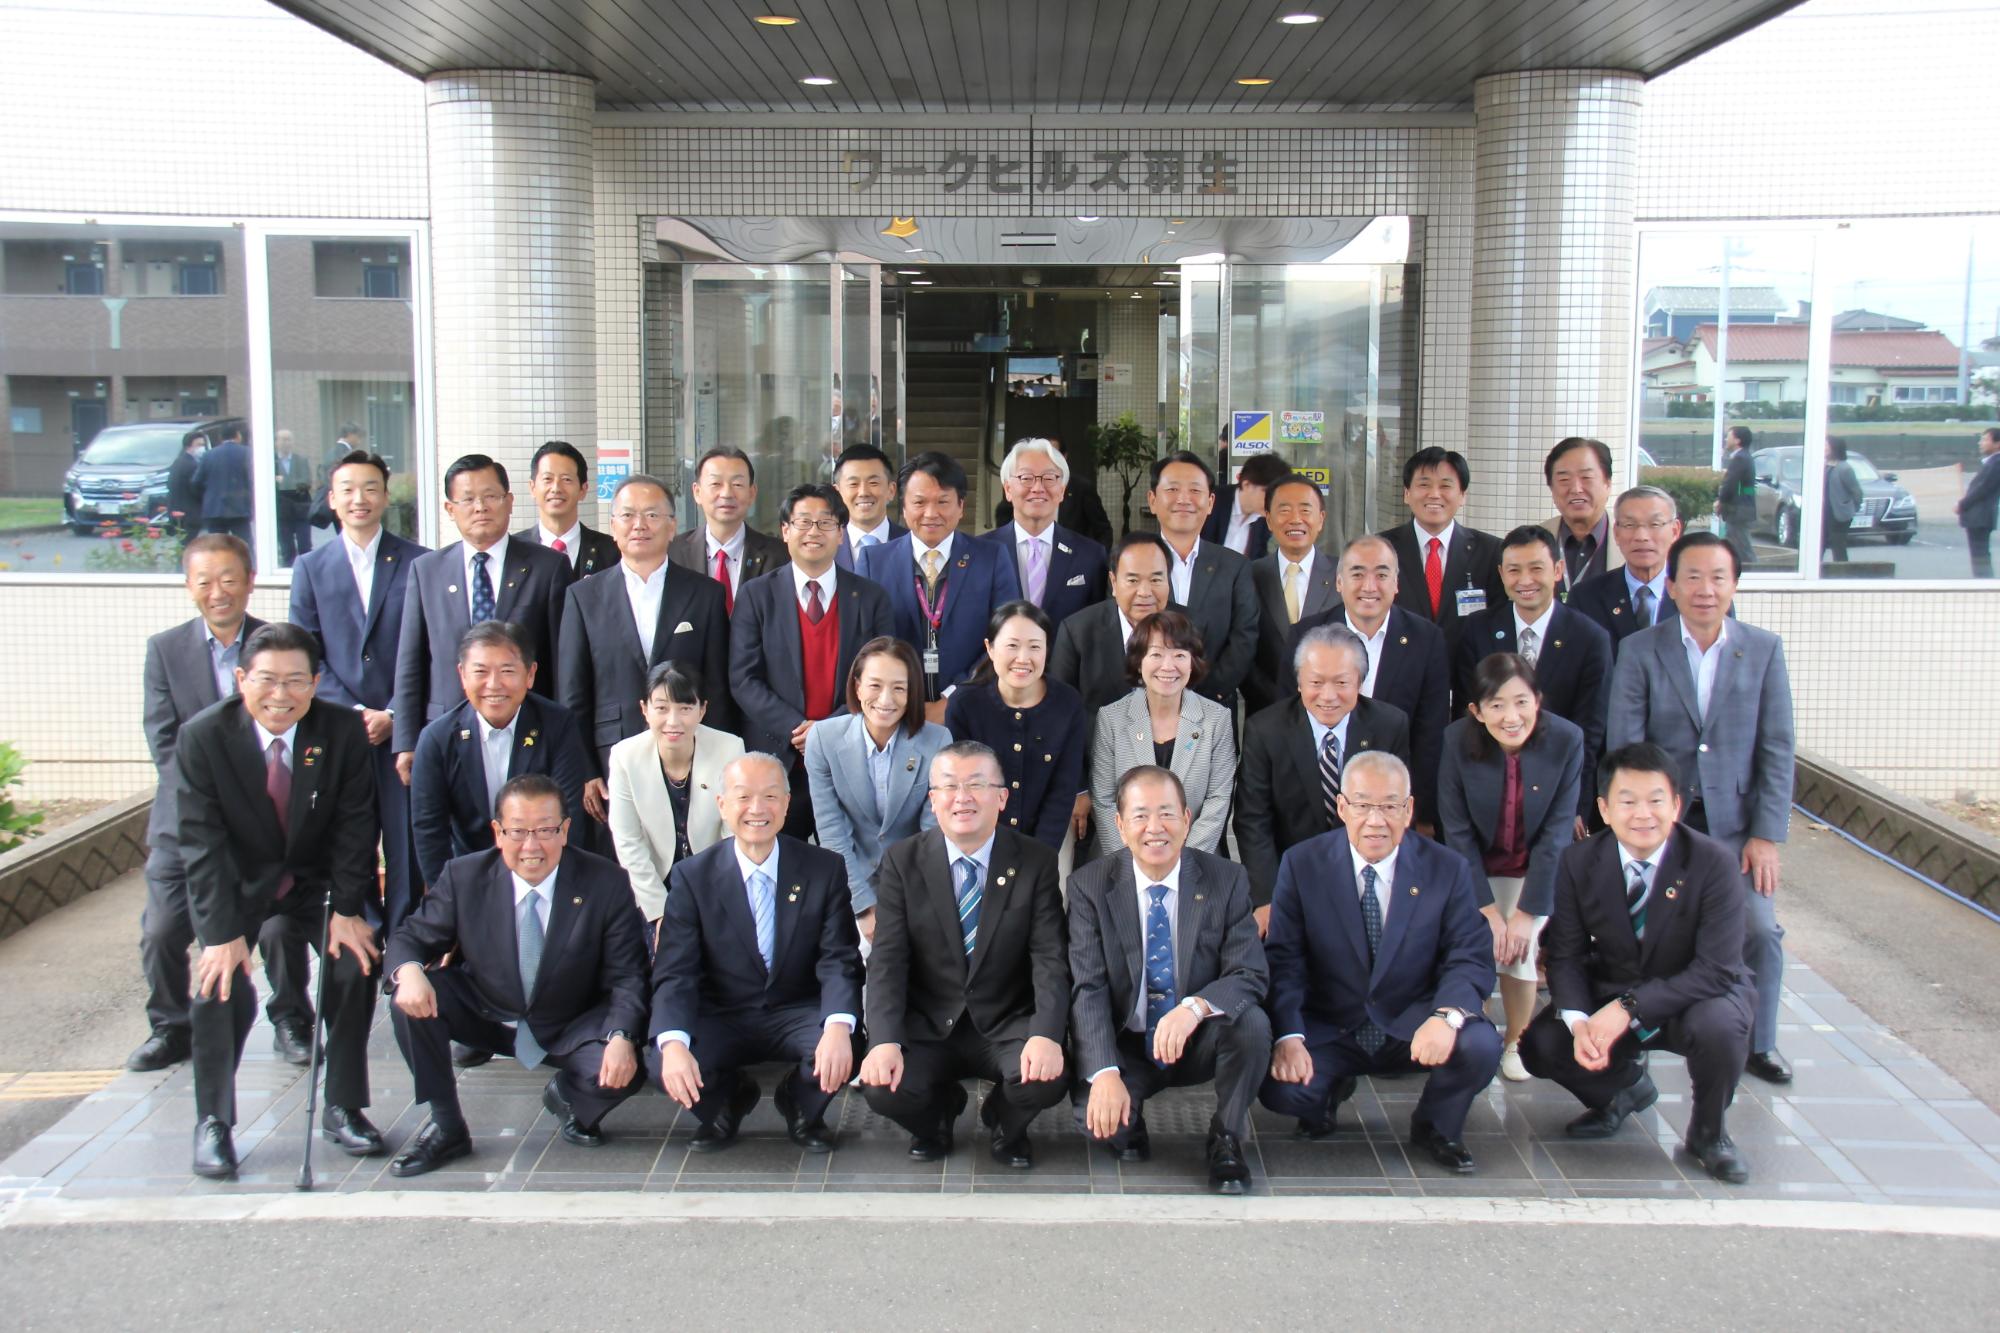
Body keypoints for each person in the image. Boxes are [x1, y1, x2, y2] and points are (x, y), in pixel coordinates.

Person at [175, 622, 384, 1178]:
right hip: (240, 885)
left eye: (296, 680)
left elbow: (356, 826)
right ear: (242, 679)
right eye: (267, 680)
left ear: (315, 683)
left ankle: (343, 1104)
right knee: (217, 981)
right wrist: (220, 935)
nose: (281, 694)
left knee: (354, 960)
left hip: (315, 884)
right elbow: (200, 845)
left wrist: (347, 909)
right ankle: (214, 1121)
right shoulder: (203, 737)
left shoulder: (341, 732)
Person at [384, 773, 650, 1176]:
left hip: (569, 1020)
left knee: (623, 1069)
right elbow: (412, 937)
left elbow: (629, 974)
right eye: (518, 831)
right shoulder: (464, 877)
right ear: (497, 832)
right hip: (488, 1009)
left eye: (545, 830)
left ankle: (567, 1096)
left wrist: (622, 1036)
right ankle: (446, 1125)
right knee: (408, 1002)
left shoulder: (605, 881)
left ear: (565, 830)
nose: (531, 846)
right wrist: (409, 971)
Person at [1608, 531, 1795, 1085]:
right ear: (1671, 585)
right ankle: (1630, 1040)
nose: (1705, 590)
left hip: (1737, 828)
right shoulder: (1642, 649)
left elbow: (1777, 746)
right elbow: (1626, 745)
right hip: (1660, 826)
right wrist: (1640, 824)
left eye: (1717, 578)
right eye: (1692, 577)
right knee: (1638, 933)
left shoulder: (1763, 650)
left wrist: (1767, 833)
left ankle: (1759, 1042)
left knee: (1758, 929)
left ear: (1734, 585)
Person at [1520, 743, 1755, 1184]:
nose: (1643, 814)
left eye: (1656, 800)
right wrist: (1577, 1021)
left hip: (1696, 993)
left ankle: (1709, 1133)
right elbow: (1566, 953)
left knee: (1720, 1027)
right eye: (1627, 801)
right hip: (1613, 984)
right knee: (1542, 1044)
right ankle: (1622, 1092)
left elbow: (1717, 970)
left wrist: (1628, 1007)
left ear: (1677, 805)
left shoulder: (1713, 863)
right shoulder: (1579, 861)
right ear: (1605, 810)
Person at [1259, 752, 1501, 1172]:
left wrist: (1445, 1016)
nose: (1376, 820)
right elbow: (1284, 959)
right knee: (1282, 1089)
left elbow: (1470, 955)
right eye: (1362, 805)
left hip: (1414, 1022)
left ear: (1408, 810)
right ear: (1341, 807)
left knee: (1480, 1044)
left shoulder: (1447, 869)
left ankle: (1436, 1125)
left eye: (1389, 806)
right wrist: (1290, 1036)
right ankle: (1329, 1093)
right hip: (1333, 1026)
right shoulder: (1302, 864)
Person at [128, 535, 307, 1073]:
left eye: (228, 578)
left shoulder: (278, 645)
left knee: (280, 926)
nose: (217, 591)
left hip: (265, 819)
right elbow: (164, 740)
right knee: (161, 929)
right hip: (183, 822)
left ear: (250, 580)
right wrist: (213, 799)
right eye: (204, 581)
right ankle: (169, 1025)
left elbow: (296, 726)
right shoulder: (166, 649)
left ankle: (291, 1017)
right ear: (189, 587)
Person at [860, 741, 1070, 1168]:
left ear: (1002, 797)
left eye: (977, 784)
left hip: (1007, 1020)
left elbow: (1050, 957)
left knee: (1048, 1078)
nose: (963, 798)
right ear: (932, 800)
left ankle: (1004, 1121)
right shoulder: (903, 861)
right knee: (881, 1086)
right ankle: (935, 1116)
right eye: (950, 786)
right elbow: (887, 961)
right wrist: (882, 1040)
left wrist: (1047, 1033)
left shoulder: (1036, 861)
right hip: (929, 1022)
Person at [1066, 765, 1272, 1193]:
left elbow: (1248, 972)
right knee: (1099, 1124)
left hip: (1196, 1038)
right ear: (1120, 826)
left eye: (1167, 814)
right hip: (1130, 1043)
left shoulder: (1225, 879)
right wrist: (1104, 1072)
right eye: (1140, 816)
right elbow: (1088, 988)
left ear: (1187, 819)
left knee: (1251, 1022)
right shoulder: (1088, 886)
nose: (1154, 828)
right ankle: (1131, 1118)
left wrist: (1194, 1008)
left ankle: (1227, 1136)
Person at [649, 754, 865, 1152]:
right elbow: (675, 972)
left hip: (796, 1009)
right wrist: (674, 1044)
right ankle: (727, 1099)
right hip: (723, 1012)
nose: (757, 809)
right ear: (722, 805)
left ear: (786, 803)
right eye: (744, 796)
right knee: (663, 1054)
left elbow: (839, 958)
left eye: (770, 796)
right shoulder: (692, 877)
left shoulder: (823, 868)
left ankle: (800, 1104)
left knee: (846, 1038)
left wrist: (837, 1027)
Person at [289, 449, 427, 934]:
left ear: (386, 497)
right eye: (347, 489)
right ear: (331, 499)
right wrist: (351, 712)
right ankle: (359, 933)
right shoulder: (310, 567)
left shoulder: (418, 563)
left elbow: (426, 650)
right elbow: (305, 655)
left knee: (405, 841)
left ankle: (405, 941)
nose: (359, 498)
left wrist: (394, 713)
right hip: (339, 730)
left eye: (370, 488)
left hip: (401, 730)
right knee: (350, 836)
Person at [558, 473, 733, 834]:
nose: (640, 525)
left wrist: (718, 760)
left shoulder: (705, 594)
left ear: (672, 527)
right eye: (628, 515)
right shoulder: (583, 597)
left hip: (690, 752)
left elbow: (717, 686)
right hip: (612, 752)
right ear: (612, 527)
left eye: (653, 515)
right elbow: (573, 692)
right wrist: (586, 768)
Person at [1437, 654, 1584, 1080]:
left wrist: (1524, 916)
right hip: (1474, 867)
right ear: (1477, 711)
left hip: (1532, 868)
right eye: (1496, 704)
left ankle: (1516, 1039)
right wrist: (1486, 911)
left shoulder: (1567, 740)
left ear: (1538, 700)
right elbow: (1457, 830)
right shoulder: (1455, 741)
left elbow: (1556, 834)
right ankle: (1473, 1029)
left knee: (1521, 948)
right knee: (1478, 942)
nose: (1511, 716)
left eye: (1521, 702)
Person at [393, 453, 571, 783]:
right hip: (446, 728)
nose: (480, 507)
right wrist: (406, 740)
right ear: (450, 509)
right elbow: (411, 661)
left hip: (528, 729)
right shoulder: (426, 570)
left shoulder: (549, 567)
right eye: (468, 499)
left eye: (490, 496)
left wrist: (563, 734)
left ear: (509, 501)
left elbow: (563, 662)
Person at [729, 483, 893, 840]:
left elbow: (883, 679)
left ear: (841, 533)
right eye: (803, 522)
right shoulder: (756, 595)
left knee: (851, 861)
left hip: (851, 752)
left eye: (825, 523)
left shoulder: (870, 597)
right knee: (783, 861)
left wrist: (827, 729)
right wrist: (798, 728)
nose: (813, 532)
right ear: (785, 531)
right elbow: (743, 679)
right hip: (777, 754)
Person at [1237, 623, 1411, 931]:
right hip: (1290, 875)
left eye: (1342, 682)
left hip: (1365, 872)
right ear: (1300, 682)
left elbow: (1394, 813)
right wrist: (1267, 897)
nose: (1328, 696)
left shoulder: (1389, 725)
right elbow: (1253, 820)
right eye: (1316, 682)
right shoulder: (1265, 730)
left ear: (1360, 681)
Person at [409, 621, 590, 891]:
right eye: (480, 672)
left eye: (507, 671)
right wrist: (448, 899)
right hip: (470, 878)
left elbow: (569, 814)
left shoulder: (558, 725)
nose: (494, 685)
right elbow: (428, 829)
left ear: (530, 674)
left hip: (544, 871)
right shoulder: (437, 738)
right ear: (462, 675)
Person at [1452, 525, 1610, 832]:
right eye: (1514, 570)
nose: (1525, 581)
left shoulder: (1589, 638)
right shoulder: (1476, 631)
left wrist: (1577, 806)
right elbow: (1466, 715)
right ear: (1501, 573)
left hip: (1558, 792)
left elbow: (1591, 732)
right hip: (1489, 793)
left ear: (1558, 570)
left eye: (1536, 568)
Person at [1292, 535, 1451, 831]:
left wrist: (1420, 814)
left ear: (1396, 583)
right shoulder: (1305, 635)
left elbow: (1430, 734)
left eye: (1381, 575)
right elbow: (1289, 723)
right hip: (1315, 805)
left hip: (1388, 810)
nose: (1369, 586)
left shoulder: (1426, 640)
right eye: (1357, 574)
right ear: (1339, 582)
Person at [802, 637, 951, 940]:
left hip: (913, 879)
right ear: (857, 686)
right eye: (875, 685)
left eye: (899, 688)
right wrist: (864, 908)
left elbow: (930, 833)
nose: (886, 699)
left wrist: (901, 903)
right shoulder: (823, 739)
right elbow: (832, 831)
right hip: (848, 876)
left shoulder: (937, 740)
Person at [857, 451, 1022, 721]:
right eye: (919, 502)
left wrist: (953, 698)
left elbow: (1005, 638)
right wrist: (902, 697)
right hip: (894, 712)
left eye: (943, 502)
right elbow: (865, 641)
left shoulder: (991, 558)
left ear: (960, 506)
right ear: (903, 506)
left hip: (972, 709)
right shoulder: (873, 561)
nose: (931, 513)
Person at [606, 662, 744, 928]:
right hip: (652, 887)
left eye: (685, 708)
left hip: (716, 885)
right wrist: (659, 913)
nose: (673, 721)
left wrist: (711, 905)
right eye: (661, 708)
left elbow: (732, 835)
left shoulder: (729, 748)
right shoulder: (625, 756)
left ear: (702, 710)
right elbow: (628, 842)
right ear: (645, 709)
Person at [1089, 610, 1236, 858]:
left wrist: (1182, 863)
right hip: (1123, 859)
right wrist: (1134, 863)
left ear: (1192, 662)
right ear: (1138, 661)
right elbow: (1103, 799)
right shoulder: (1111, 718)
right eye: (1156, 654)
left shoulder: (1216, 719)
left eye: (1179, 655)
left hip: (1195, 857)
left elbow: (1218, 799)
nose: (1168, 666)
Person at [945, 600, 1086, 852]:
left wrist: (1039, 860)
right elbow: (963, 788)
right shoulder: (965, 704)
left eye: (1035, 647)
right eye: (1012, 646)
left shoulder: (1068, 704)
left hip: (1048, 842)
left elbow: (1062, 792)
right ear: (989, 648)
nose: (1023, 658)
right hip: (978, 840)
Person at [1147, 451, 1259, 710]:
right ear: (1153, 500)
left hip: (1215, 706)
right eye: (1172, 489)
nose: (1184, 499)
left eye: (1195, 491)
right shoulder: (1131, 562)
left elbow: (1244, 637)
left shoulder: (1235, 566)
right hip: (1145, 704)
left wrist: (1210, 694)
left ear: (1210, 503)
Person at [1380, 446, 1506, 660]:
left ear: (1462, 495)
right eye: (1424, 485)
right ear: (1407, 494)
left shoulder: (1491, 551)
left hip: (1467, 679)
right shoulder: (1381, 548)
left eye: (1445, 485)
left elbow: (1499, 621)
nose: (1434, 494)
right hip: (1400, 674)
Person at [981, 438, 1108, 631]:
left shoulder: (1090, 555)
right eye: (1026, 478)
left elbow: (1097, 627)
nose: (1038, 488)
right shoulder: (981, 552)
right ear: (1008, 489)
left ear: (1062, 491)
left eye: (1049, 478)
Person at [1049, 530, 1180, 715]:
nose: (1144, 592)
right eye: (1133, 580)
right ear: (1114, 582)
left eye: (1156, 579)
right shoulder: (1077, 632)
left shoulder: (1190, 628)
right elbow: (1060, 709)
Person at [1245, 473, 1342, 713]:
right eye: (1284, 510)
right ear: (1268, 520)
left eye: (1305, 510)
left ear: (1321, 519)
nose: (1295, 519)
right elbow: (1242, 647)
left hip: (1331, 709)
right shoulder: (1249, 575)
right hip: (1265, 710)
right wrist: (1274, 696)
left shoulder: (1343, 575)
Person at [1566, 486, 1686, 659]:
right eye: (1630, 525)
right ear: (1616, 533)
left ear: (1674, 531)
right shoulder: (1585, 598)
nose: (1642, 536)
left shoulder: (1698, 596)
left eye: (1654, 524)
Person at [669, 445, 789, 613]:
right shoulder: (672, 553)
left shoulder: (780, 556)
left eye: (737, 484)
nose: (726, 493)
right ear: (697, 492)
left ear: (752, 493)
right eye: (716, 483)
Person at [517, 439, 620, 577]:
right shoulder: (513, 550)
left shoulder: (611, 551)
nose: (556, 488)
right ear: (532, 487)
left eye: (566, 479)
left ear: (583, 490)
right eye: (548, 479)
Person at [1542, 436, 1622, 597]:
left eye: (1586, 478)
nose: (1576, 489)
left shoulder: (1630, 539)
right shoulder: (1536, 538)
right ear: (1551, 488)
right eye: (1564, 479)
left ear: (1608, 483)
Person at [831, 442, 905, 570]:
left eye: (873, 483)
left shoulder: (913, 544)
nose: (864, 492)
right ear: (837, 493)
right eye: (853, 484)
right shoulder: (825, 547)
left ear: (891, 490)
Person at [1202, 452, 1288, 560]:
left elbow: (1258, 560)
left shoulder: (1264, 521)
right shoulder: (1211, 502)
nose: (1273, 501)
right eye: (1267, 493)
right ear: (1246, 485)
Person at [193, 422, 253, 542]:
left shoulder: (208, 455)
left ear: (220, 437)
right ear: (238, 435)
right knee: (244, 545)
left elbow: (196, 481)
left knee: (217, 546)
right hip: (240, 508)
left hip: (214, 508)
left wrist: (207, 496)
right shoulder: (248, 453)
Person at [1959, 426, 2000, 578]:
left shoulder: (1996, 463)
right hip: (1979, 516)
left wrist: (1962, 504)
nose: (1980, 443)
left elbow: (1982, 489)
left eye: (1985, 439)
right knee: (1979, 553)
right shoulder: (1991, 462)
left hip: (1981, 516)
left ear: (1997, 444)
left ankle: (1984, 585)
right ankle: (1983, 582)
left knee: (1980, 554)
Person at [1715, 425, 1758, 570]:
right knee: (1735, 545)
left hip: (1738, 510)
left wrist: (1721, 501)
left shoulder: (1740, 458)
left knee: (1742, 546)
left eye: (1729, 436)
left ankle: (1755, 575)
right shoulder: (1745, 457)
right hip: (1742, 508)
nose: (1726, 439)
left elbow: (1730, 484)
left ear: (1738, 440)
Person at [273, 428, 315, 564]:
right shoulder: (271, 462)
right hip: (281, 512)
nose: (286, 443)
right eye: (282, 439)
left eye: (288, 439)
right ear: (276, 442)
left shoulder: (301, 460)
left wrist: (283, 481)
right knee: (287, 549)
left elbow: (305, 482)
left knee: (305, 547)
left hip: (301, 510)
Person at [1822, 437, 1865, 564]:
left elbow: (1857, 492)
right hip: (1824, 513)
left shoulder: (1844, 469)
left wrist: (1850, 509)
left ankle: (1842, 573)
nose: (1823, 449)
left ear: (1834, 448)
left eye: (1826, 446)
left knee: (1838, 546)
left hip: (1839, 514)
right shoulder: (1823, 467)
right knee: (1820, 543)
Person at [167, 430, 204, 544]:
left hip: (178, 511)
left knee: (184, 544)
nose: (202, 448)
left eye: (203, 445)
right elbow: (196, 489)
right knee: (188, 546)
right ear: (189, 446)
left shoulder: (178, 462)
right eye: (199, 445)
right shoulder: (192, 465)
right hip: (190, 514)